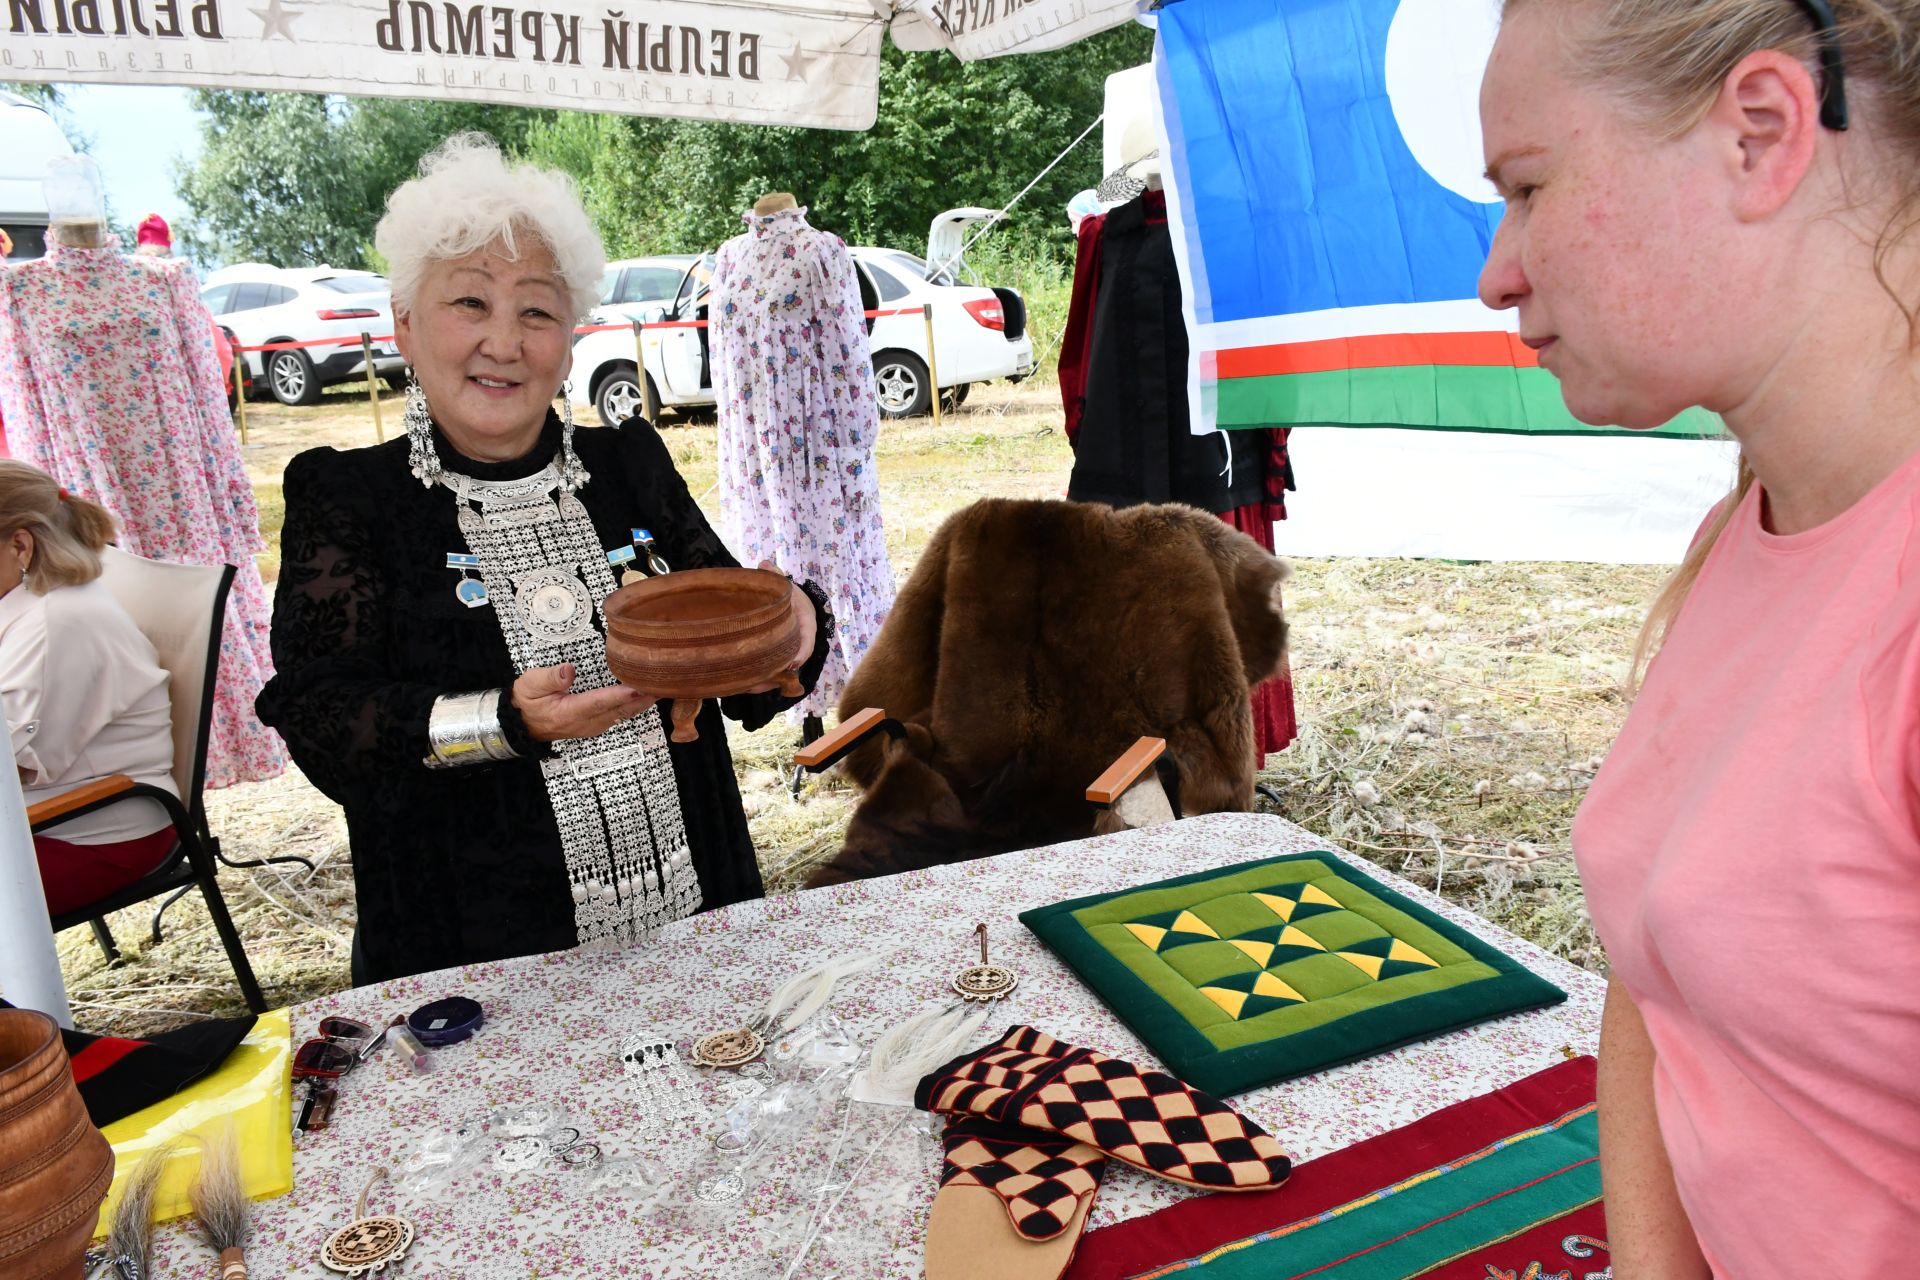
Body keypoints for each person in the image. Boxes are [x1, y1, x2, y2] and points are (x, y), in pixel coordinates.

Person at [1477, 2, 1920, 1275]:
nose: (1498, 271)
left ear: (1763, 132)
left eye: (1530, 187)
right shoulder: (1746, 530)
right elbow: (1660, 988)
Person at [257, 135, 830, 984]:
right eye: (469, 304)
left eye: (535, 310)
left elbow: (740, 666)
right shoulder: (349, 497)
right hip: (473, 945)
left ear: (568, 337)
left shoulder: (633, 465)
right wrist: (504, 722)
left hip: (695, 914)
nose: (504, 342)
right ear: (405, 326)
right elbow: (321, 718)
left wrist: (798, 624)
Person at [0, 461, 178, 916]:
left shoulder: (56, 623)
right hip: (43, 819)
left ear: (21, 545)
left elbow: (10, 767)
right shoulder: (32, 602)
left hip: (90, 831)